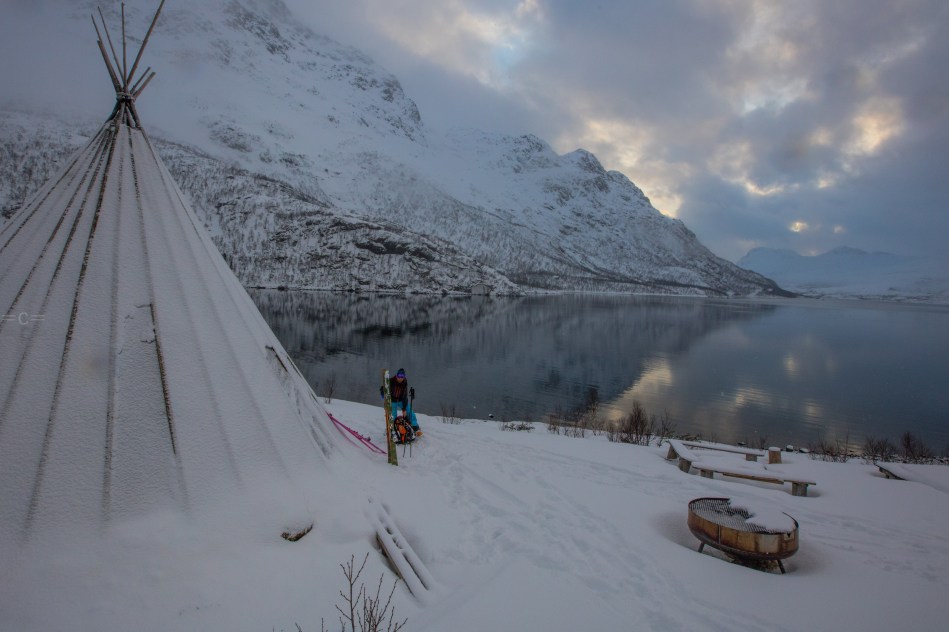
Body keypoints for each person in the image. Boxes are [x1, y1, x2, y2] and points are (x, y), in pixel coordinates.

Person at [381, 368, 420, 433]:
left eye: (402, 377)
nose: (400, 378)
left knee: (409, 411)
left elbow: (405, 396)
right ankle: (392, 428)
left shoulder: (404, 382)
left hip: (401, 400)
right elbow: (383, 388)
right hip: (393, 400)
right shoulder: (391, 381)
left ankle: (415, 426)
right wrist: (383, 393)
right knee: (393, 415)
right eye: (399, 376)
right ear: (396, 375)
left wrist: (404, 409)